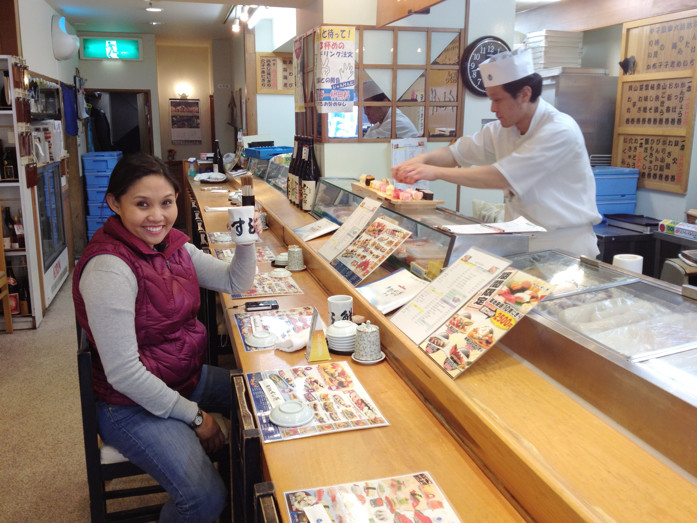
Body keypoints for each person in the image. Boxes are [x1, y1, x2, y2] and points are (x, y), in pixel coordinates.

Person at [73, 152, 259, 521]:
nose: (157, 216)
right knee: (203, 499)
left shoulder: (173, 246)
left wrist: (247, 239)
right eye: (142, 204)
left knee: (260, 393)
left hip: (182, 376)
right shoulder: (109, 268)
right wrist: (196, 418)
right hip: (129, 404)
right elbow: (125, 374)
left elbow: (234, 282)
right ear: (115, 203)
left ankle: (244, 493)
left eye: (166, 203)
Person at [392, 49, 602, 257]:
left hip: (565, 246)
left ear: (525, 94)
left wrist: (434, 172)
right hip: (521, 240)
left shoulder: (559, 130)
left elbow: (500, 177)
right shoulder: (502, 129)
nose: (492, 108)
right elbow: (455, 153)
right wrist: (421, 159)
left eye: (497, 99)